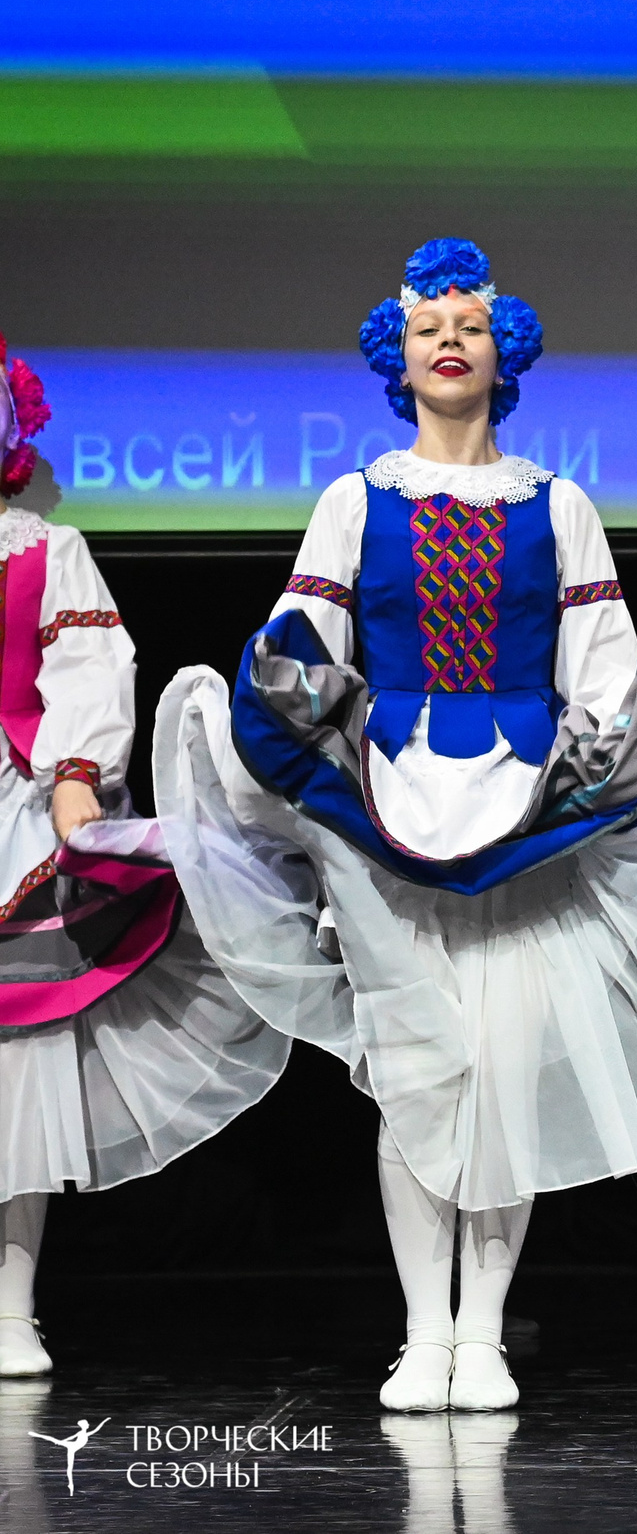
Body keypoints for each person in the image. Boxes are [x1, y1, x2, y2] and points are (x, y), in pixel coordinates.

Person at [156, 239, 637, 1411]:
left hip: (523, 804)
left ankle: (484, 1333)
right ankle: (422, 1332)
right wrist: (297, 704)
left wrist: (603, 764)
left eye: (468, 324)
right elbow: (306, 634)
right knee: (419, 1073)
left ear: (501, 351)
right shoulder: (356, 499)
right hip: (390, 804)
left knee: (501, 1070)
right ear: (396, 358)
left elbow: (600, 661)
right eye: (425, 327)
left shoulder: (559, 506)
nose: (448, 340)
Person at [0, 337, 290, 1379]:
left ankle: (10, 1307)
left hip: (11, 806)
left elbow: (86, 671)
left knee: (16, 1067)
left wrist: (76, 783)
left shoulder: (44, 550)